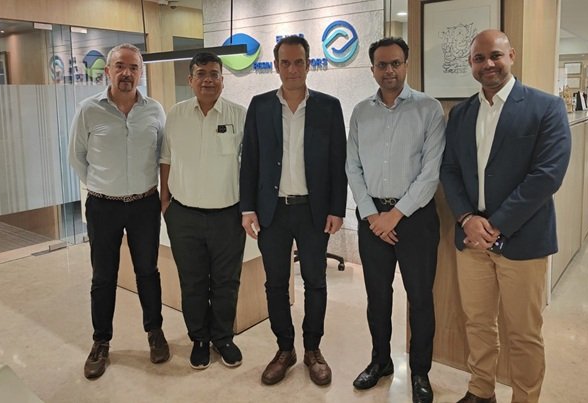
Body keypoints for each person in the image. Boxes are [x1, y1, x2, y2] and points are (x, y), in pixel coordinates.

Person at [440, 29, 572, 403]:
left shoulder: (546, 107)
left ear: (511, 55)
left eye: (495, 55)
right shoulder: (461, 113)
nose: (488, 64)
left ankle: (525, 397)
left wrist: (496, 224)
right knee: (478, 323)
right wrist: (466, 218)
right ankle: (481, 390)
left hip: (523, 239)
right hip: (471, 239)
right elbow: (449, 169)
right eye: (479, 58)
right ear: (471, 64)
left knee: (523, 332)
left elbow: (548, 175)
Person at [239, 35, 347, 386]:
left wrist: (337, 208)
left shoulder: (328, 107)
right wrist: (247, 208)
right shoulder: (260, 106)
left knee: (315, 282)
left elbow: (338, 162)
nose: (292, 69)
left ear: (308, 64)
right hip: (273, 212)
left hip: (313, 211)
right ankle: (285, 349)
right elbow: (250, 160)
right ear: (276, 66)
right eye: (285, 62)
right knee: (275, 284)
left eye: (298, 62)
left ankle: (313, 349)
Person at [346, 37, 445, 403]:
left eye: (396, 63)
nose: (389, 70)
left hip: (415, 218)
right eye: (382, 65)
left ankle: (420, 372)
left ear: (406, 64)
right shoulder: (361, 112)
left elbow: (431, 174)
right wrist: (372, 215)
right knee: (377, 296)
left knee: (420, 298)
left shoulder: (429, 109)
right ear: (373, 69)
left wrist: (395, 216)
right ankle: (380, 361)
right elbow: (352, 167)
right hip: (372, 217)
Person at [68, 43, 169, 380]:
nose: (127, 73)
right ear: (108, 71)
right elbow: (76, 156)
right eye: (120, 66)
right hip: (103, 206)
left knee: (148, 272)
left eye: (134, 67)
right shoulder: (88, 110)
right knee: (103, 276)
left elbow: (163, 155)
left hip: (144, 205)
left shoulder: (154, 110)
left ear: (141, 72)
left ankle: (154, 332)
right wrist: (101, 184)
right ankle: (101, 342)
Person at [159, 52, 247, 370]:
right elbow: (166, 158)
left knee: (226, 281)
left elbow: (250, 165)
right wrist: (165, 202)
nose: (208, 79)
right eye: (201, 73)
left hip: (228, 215)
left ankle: (223, 338)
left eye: (214, 74)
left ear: (223, 80)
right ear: (190, 79)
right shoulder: (176, 114)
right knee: (193, 281)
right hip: (184, 216)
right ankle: (199, 338)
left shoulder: (240, 115)